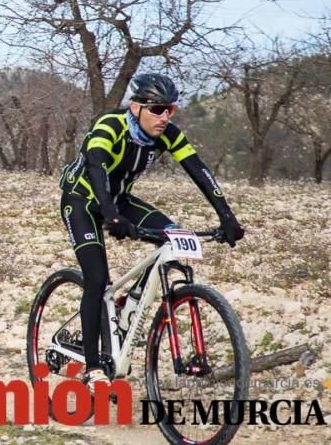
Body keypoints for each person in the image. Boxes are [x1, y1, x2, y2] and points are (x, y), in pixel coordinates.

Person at [58, 72, 244, 390]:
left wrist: (227, 216)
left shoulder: (167, 134)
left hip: (120, 200)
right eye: (157, 109)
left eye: (170, 110)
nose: (164, 117)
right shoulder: (109, 126)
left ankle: (126, 305)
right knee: (97, 278)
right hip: (83, 201)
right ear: (136, 107)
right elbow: (96, 166)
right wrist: (111, 216)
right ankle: (92, 368)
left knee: (174, 236)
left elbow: (199, 170)